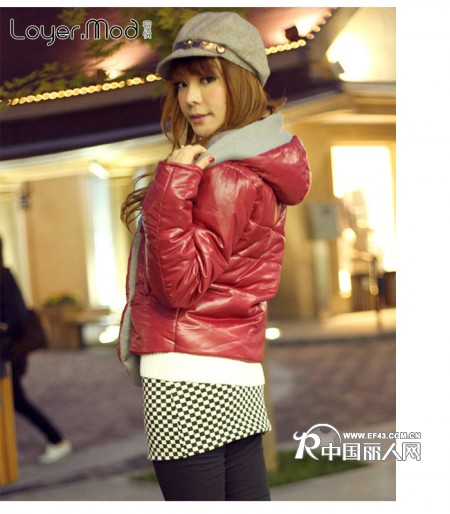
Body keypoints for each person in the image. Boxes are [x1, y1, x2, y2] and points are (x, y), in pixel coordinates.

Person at [119, 11, 311, 501]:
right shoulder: (256, 168)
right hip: (234, 366)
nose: (190, 98)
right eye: (182, 84)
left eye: (207, 79)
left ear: (243, 81)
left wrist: (170, 183)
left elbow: (179, 285)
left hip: (187, 373)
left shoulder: (224, 175)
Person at [0, 237, 72, 465]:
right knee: (17, 401)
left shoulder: (4, 276)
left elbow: (17, 319)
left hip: (8, 355)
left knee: (17, 401)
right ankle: (56, 440)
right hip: (7, 354)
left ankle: (57, 440)